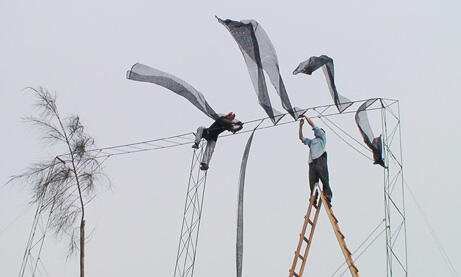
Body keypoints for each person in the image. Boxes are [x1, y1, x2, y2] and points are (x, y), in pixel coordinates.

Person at [298, 115, 332, 205]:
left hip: (320, 159)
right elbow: (301, 138)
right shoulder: (312, 142)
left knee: (324, 179)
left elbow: (313, 125)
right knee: (312, 182)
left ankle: (327, 196)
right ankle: (313, 197)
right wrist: (301, 125)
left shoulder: (322, 138)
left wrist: (305, 116)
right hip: (312, 163)